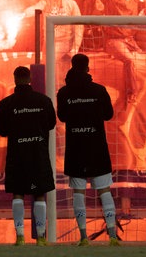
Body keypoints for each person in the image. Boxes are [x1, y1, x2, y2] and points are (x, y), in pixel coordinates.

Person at [57, 53, 119, 246]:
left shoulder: (64, 92)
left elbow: (63, 117)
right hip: (96, 146)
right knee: (105, 191)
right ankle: (113, 236)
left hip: (76, 147)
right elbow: (108, 115)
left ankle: (83, 237)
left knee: (78, 192)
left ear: (72, 66)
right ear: (88, 67)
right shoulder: (99, 90)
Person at [0, 66, 56, 246]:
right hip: (38, 153)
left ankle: (20, 236)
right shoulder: (44, 101)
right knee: (39, 194)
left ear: (15, 79)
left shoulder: (6, 103)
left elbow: (1, 130)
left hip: (17, 154)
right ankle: (42, 237)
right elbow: (51, 124)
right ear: (30, 79)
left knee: (18, 194)